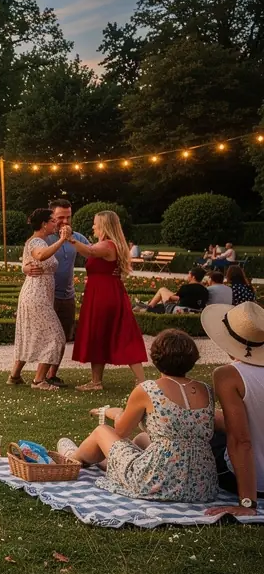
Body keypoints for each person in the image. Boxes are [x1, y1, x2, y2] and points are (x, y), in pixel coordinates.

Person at [57, 330, 217, 503]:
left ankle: (72, 459)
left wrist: (114, 412)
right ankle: (108, 464)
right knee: (141, 438)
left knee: (102, 431)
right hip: (202, 484)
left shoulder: (149, 389)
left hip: (159, 482)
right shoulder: (205, 390)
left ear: (156, 358)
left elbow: (121, 431)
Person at [67, 211, 147, 392]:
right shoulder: (110, 244)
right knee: (101, 334)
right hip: (103, 292)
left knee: (119, 333)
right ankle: (96, 381)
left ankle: (140, 380)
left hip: (104, 295)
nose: (93, 226)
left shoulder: (108, 245)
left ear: (104, 225)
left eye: (95, 223)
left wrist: (69, 238)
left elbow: (89, 251)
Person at [203, 301, 264, 505]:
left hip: (253, 481)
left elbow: (241, 441)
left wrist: (248, 502)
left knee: (198, 439)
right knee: (213, 420)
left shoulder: (229, 376)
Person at [25, 199, 89, 388]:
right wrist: (25, 269)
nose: (65, 221)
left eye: (68, 217)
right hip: (47, 294)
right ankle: (38, 377)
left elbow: (92, 252)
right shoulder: (46, 237)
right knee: (49, 335)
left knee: (64, 335)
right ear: (52, 217)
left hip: (67, 294)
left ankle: (52, 374)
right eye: (60, 217)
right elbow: (30, 254)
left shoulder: (77, 237)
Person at [9, 209, 71, 390]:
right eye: (52, 221)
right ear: (44, 224)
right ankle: (38, 380)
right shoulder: (37, 241)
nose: (56, 223)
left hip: (39, 294)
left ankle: (15, 376)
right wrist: (61, 240)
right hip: (36, 295)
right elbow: (40, 255)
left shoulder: (38, 241)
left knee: (29, 333)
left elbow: (29, 260)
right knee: (56, 336)